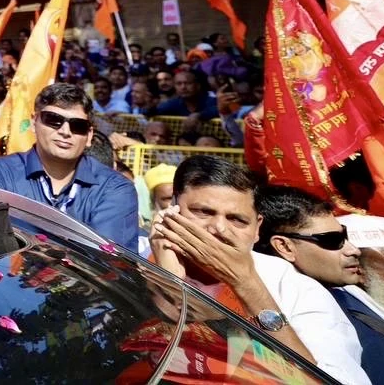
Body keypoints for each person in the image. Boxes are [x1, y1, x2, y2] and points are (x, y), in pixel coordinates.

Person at [150, 157, 369, 385]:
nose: (219, 229)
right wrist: (169, 279)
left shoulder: (295, 290)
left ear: (257, 229)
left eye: (237, 220)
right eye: (203, 212)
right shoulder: (139, 258)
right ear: (171, 210)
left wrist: (246, 283)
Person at [258, 188, 384, 383]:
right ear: (284, 247)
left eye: (345, 237)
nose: (353, 250)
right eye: (333, 240)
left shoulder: (347, 295)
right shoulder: (277, 306)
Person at [0, 83, 139, 250]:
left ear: (89, 135)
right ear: (34, 122)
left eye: (77, 126)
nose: (65, 131)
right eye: (54, 120)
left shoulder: (115, 188)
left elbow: (107, 262)